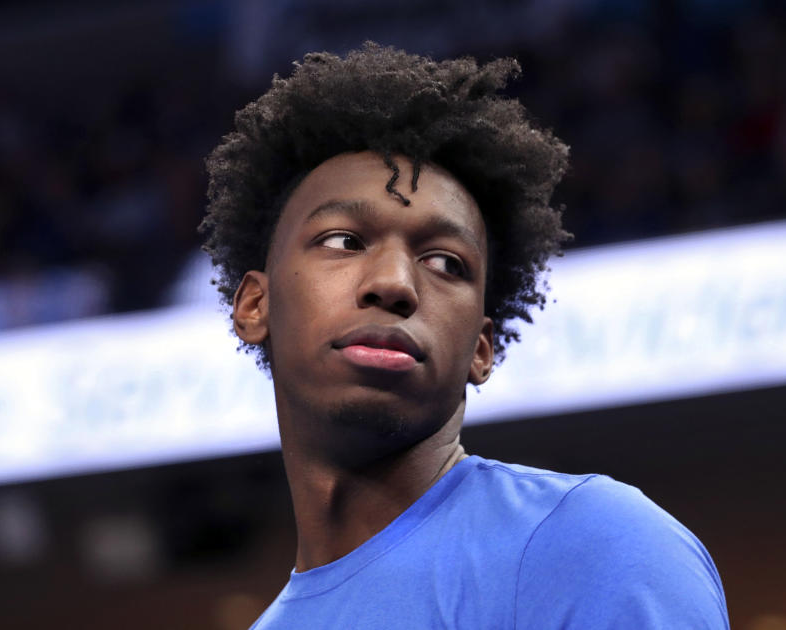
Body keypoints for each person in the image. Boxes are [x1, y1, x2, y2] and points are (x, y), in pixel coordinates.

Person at [200, 43, 730, 629]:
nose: (394, 284)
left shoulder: (590, 544)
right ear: (255, 304)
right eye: (345, 242)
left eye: (445, 262)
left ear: (482, 348)